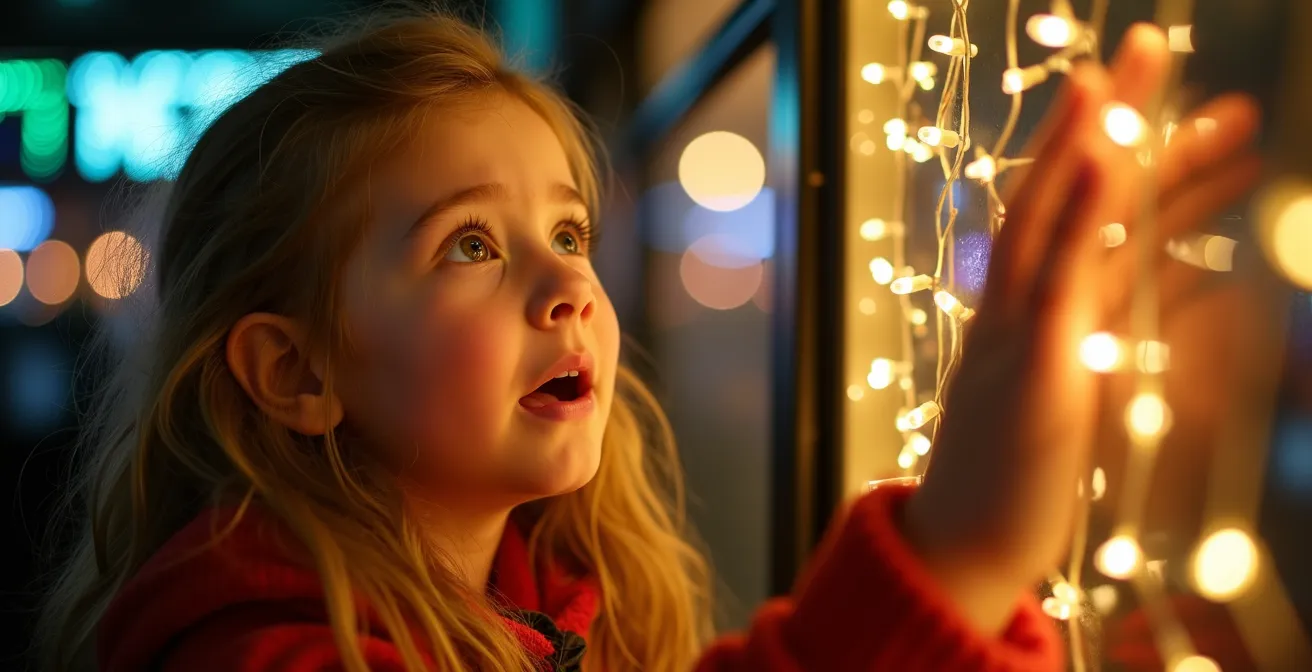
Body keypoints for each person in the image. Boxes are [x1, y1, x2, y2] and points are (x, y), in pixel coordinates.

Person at [33, 10, 1265, 672]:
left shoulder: (566, 609)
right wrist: (957, 553)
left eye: (569, 232)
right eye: (471, 244)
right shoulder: (255, 652)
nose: (568, 284)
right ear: (296, 372)